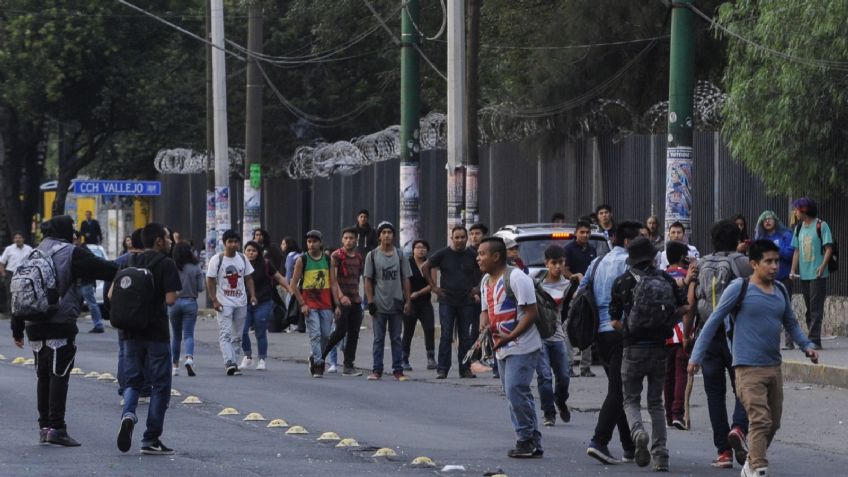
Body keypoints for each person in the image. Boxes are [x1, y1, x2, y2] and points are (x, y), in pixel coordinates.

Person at [689, 240, 819, 477]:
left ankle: (751, 460)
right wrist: (696, 356)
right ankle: (758, 468)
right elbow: (714, 320)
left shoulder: (780, 290)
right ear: (754, 264)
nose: (774, 266)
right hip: (747, 368)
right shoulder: (739, 288)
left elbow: (790, 322)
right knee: (759, 419)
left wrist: (807, 345)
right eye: (768, 261)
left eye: (777, 261)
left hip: (773, 367)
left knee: (773, 422)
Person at [11, 215, 117, 447]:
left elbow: (20, 291)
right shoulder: (71, 252)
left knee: (43, 376)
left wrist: (17, 328)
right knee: (59, 376)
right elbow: (107, 269)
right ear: (66, 230)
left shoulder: (33, 252)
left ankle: (44, 428)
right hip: (60, 323)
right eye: (73, 229)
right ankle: (58, 428)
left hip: (33, 326)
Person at [611, 237, 688, 471]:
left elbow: (614, 321)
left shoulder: (622, 282)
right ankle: (661, 455)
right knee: (656, 403)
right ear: (653, 258)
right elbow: (683, 308)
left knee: (631, 399)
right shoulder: (665, 279)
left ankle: (637, 433)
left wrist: (631, 330)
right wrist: (666, 320)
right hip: (659, 349)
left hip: (632, 348)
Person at [115, 222, 181, 455]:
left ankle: (129, 414)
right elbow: (171, 299)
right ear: (158, 241)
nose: (171, 241)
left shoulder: (129, 261)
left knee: (132, 382)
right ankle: (150, 439)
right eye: (167, 237)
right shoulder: (166, 263)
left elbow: (114, 294)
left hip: (130, 333)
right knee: (160, 386)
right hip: (156, 333)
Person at [581, 220, 643, 465]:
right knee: (619, 390)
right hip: (621, 332)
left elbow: (581, 291)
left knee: (618, 387)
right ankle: (599, 441)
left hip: (600, 334)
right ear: (627, 241)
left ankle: (629, 446)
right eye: (638, 239)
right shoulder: (630, 264)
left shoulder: (596, 263)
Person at [477, 237, 543, 458]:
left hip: (522, 346)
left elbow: (531, 314)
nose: (478, 258)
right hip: (501, 346)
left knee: (515, 389)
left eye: (482, 254)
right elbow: (485, 310)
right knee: (515, 392)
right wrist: (483, 326)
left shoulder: (517, 278)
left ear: (496, 256)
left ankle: (524, 439)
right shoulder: (486, 280)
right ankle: (534, 439)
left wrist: (509, 337)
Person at [694, 220, 751, 469]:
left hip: (708, 333)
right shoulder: (742, 262)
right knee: (744, 385)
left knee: (714, 394)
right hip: (736, 334)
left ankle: (723, 452)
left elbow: (695, 299)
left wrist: (689, 337)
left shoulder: (703, 262)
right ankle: (739, 427)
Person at [422, 226, 481, 379]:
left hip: (466, 301)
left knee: (465, 337)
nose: (460, 240)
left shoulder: (473, 255)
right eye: (457, 237)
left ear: (466, 238)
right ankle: (442, 369)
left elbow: (484, 269)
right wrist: (434, 287)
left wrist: (478, 288)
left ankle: (465, 369)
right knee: (446, 335)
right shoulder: (443, 254)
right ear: (452, 238)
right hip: (447, 301)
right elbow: (425, 266)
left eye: (463, 237)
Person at [364, 221, 412, 381]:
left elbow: (405, 279)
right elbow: (368, 280)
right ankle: (377, 370)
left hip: (396, 302)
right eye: (383, 232)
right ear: (379, 236)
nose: (387, 235)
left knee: (396, 338)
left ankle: (398, 370)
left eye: (389, 232)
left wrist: (408, 300)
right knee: (378, 339)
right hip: (379, 304)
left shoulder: (400, 255)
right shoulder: (372, 256)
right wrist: (370, 301)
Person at [206, 229, 257, 376]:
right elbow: (210, 280)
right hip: (224, 303)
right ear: (224, 243)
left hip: (241, 302)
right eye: (230, 242)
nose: (233, 244)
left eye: (236, 242)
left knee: (238, 335)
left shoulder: (242, 258)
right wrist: (214, 300)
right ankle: (229, 362)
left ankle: (233, 361)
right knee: (225, 333)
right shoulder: (217, 259)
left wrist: (252, 295)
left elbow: (248, 278)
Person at [290, 230, 337, 378]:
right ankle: (318, 363)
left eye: (314, 241)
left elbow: (333, 283)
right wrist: (302, 304)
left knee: (326, 335)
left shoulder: (328, 259)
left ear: (320, 243)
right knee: (315, 334)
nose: (311, 244)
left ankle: (314, 355)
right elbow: (293, 284)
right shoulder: (302, 260)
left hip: (326, 303)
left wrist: (337, 305)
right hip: (310, 305)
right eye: (309, 241)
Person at [535, 245, 573, 427]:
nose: (558, 266)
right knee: (544, 376)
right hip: (539, 336)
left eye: (561, 262)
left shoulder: (568, 285)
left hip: (558, 336)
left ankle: (560, 400)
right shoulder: (536, 283)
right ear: (546, 263)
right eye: (554, 263)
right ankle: (548, 413)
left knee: (564, 376)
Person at [662, 241, 697, 430]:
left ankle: (668, 415)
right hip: (683, 330)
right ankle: (678, 413)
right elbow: (691, 305)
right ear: (683, 256)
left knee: (667, 374)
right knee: (681, 372)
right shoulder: (689, 276)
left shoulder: (662, 276)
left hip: (665, 332)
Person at [321, 227, 366, 376]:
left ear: (356, 240)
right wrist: (341, 297)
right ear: (342, 239)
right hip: (341, 300)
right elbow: (333, 280)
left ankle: (348, 365)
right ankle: (318, 356)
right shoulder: (336, 256)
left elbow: (357, 278)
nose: (348, 241)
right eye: (346, 238)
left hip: (355, 300)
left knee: (354, 333)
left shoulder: (359, 257)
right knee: (340, 331)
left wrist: (357, 298)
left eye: (351, 238)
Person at [790, 197, 833, 350]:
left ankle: (814, 340)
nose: (795, 212)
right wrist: (793, 270)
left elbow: (829, 248)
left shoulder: (822, 225)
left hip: (817, 273)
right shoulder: (799, 228)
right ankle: (812, 337)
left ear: (804, 210)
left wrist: (822, 266)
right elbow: (796, 250)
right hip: (804, 274)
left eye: (796, 209)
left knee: (816, 307)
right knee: (809, 307)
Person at [241, 241, 289, 371]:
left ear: (259, 252)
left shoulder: (266, 264)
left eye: (254, 251)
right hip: (244, 303)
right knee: (242, 331)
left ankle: (262, 359)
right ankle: (247, 355)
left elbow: (279, 277)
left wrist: (290, 289)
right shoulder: (240, 264)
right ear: (244, 252)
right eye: (248, 250)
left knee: (260, 331)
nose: (251, 253)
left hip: (263, 302)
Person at [754, 211, 797, 350]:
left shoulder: (785, 235)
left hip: (783, 277)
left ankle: (789, 341)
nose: (767, 221)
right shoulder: (761, 238)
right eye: (764, 219)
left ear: (775, 220)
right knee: (765, 308)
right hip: (765, 279)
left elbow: (791, 254)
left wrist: (776, 248)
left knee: (786, 308)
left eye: (770, 218)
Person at [563, 220, 597, 377]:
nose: (585, 235)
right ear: (576, 233)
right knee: (569, 328)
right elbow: (564, 270)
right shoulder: (569, 249)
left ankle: (585, 366)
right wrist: (575, 278)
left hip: (588, 295)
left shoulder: (592, 250)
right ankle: (568, 365)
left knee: (587, 327)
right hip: (572, 295)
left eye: (587, 232)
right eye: (582, 232)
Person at [169, 241, 204, 377]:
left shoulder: (172, 266)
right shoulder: (195, 267)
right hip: (190, 302)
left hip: (174, 303)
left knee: (176, 336)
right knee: (188, 334)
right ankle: (189, 358)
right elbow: (201, 287)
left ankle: (175, 366)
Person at [403, 239, 436, 371]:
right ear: (413, 250)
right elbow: (404, 281)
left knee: (429, 329)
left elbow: (432, 285)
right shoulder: (407, 263)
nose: (420, 250)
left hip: (424, 302)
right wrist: (408, 298)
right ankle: (404, 358)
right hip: (409, 301)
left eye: (423, 248)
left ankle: (431, 357)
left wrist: (418, 293)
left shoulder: (430, 264)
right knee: (408, 330)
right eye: (417, 247)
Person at [1, 231, 33, 314]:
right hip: (11, 273)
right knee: (10, 293)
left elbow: (33, 261)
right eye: (16, 238)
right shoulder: (9, 249)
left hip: (24, 273)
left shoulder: (29, 249)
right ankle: (11, 312)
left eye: (19, 238)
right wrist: (3, 273)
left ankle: (23, 311)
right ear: (14, 240)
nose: (17, 239)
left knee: (24, 292)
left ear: (23, 239)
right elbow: (2, 262)